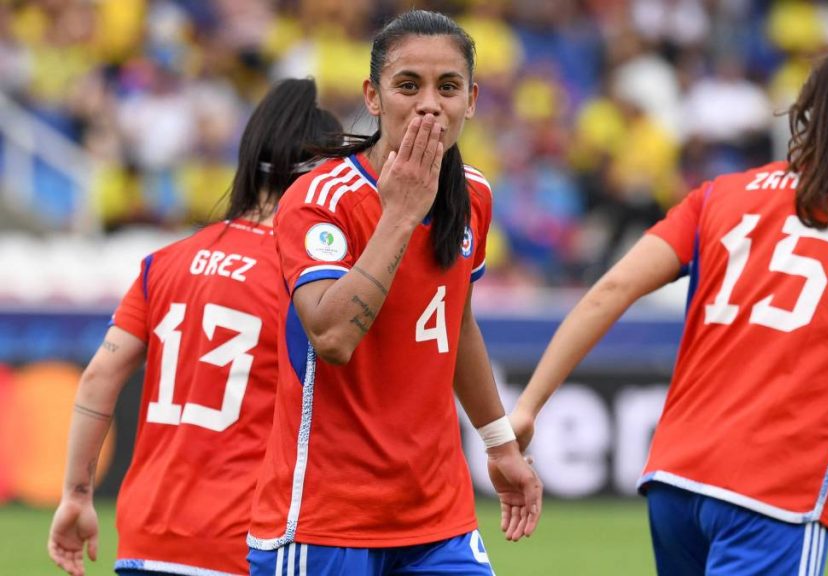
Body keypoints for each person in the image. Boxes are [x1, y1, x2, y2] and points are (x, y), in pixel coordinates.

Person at [511, 48, 828, 576]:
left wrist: (529, 406)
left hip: (674, 481)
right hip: (775, 494)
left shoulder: (721, 194)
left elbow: (612, 288)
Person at [246, 10, 542, 576]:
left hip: (438, 518)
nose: (429, 104)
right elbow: (332, 335)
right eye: (409, 85)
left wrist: (500, 445)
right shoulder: (320, 199)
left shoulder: (473, 194)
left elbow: (456, 323)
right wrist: (400, 214)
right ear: (373, 96)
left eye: (448, 87)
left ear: (472, 99)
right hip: (327, 522)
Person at [48, 78, 342, 576]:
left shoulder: (164, 262)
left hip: (147, 539)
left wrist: (76, 496)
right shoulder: (307, 283)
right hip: (247, 545)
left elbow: (99, 378)